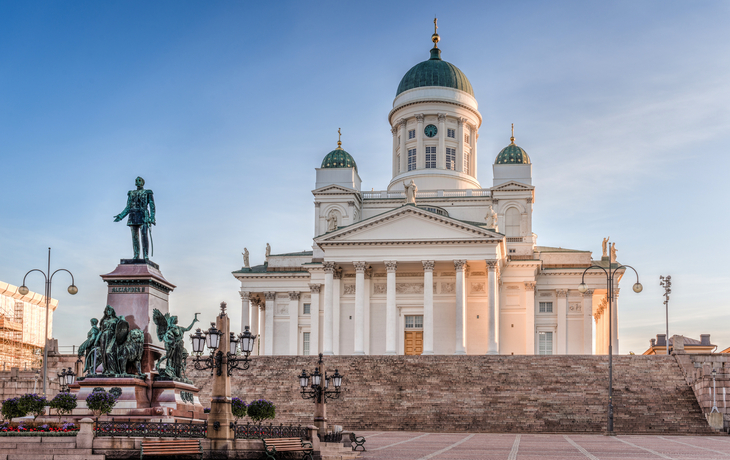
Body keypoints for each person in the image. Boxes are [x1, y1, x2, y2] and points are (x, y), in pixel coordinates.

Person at [114, 176, 156, 260]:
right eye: (136, 180)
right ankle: (136, 255)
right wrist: (121, 216)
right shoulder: (131, 193)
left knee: (144, 235)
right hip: (133, 215)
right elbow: (128, 207)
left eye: (139, 180)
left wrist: (152, 217)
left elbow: (152, 206)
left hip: (143, 215)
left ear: (143, 182)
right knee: (134, 237)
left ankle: (145, 255)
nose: (138, 182)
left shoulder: (148, 192)